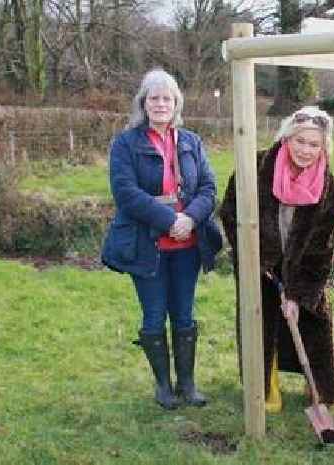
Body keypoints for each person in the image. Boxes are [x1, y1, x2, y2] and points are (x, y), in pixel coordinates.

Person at [102, 69, 222, 410]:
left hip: (188, 246)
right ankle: (163, 386)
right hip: (146, 245)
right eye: (153, 98)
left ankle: (187, 384)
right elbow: (125, 192)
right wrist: (170, 220)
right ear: (144, 102)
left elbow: (208, 188)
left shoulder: (191, 142)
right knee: (154, 316)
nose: (160, 104)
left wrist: (189, 219)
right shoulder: (126, 143)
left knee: (183, 315)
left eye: (166, 98)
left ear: (176, 103)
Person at [220, 106, 334, 414]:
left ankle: (321, 389)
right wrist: (253, 258)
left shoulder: (330, 186)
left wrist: (298, 294)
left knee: (315, 318)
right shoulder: (256, 167)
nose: (306, 150)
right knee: (261, 323)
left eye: (314, 145)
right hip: (259, 263)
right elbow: (230, 212)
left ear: (323, 148)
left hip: (301, 266)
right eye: (300, 141)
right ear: (288, 137)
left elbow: (321, 246)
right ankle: (265, 388)